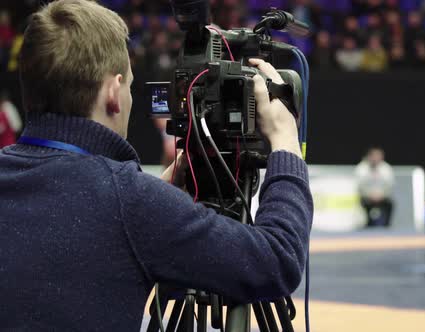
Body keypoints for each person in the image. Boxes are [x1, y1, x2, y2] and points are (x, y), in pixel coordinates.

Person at [0, 1, 313, 330]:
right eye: (130, 87)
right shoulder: (132, 203)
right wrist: (285, 141)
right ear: (112, 91)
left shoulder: (130, 203)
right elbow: (278, 262)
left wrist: (152, 198)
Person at [355, 148, 395, 227]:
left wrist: (381, 195)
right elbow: (359, 186)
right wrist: (370, 195)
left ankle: (387, 226)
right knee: (361, 204)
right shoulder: (361, 168)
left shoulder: (386, 168)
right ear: (369, 156)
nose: (376, 158)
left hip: (382, 197)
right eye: (374, 156)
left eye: (378, 156)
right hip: (367, 197)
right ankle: (367, 226)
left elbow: (390, 186)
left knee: (390, 204)